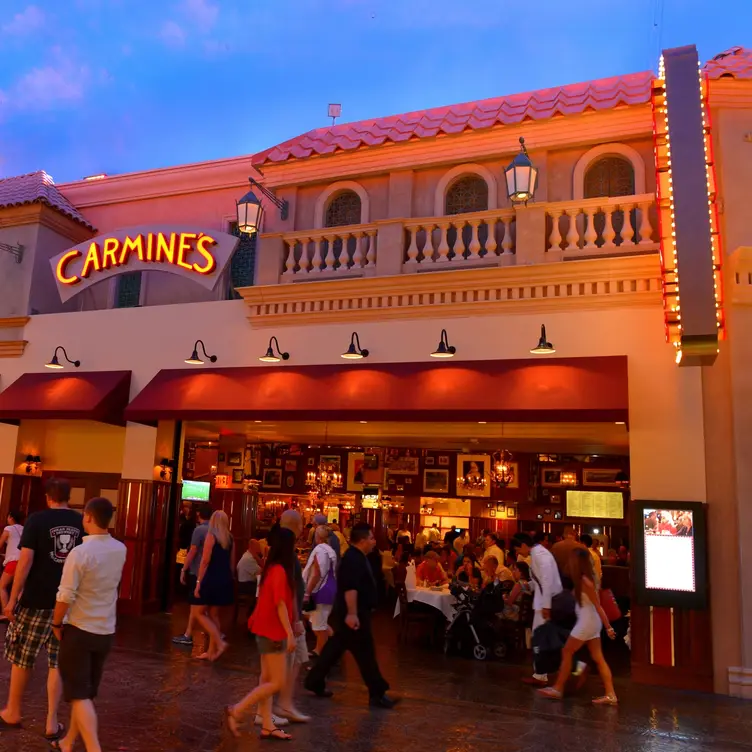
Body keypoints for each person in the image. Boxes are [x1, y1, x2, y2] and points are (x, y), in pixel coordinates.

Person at [0, 478, 84, 740]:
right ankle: (51, 721)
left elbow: (25, 562)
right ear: (69, 497)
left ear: (48, 497)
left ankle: (13, 711)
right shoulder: (83, 522)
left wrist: (12, 599)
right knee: (56, 662)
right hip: (68, 603)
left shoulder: (36, 520)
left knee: (22, 656)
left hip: (36, 600)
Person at [50, 497, 126, 752]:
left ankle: (94, 748)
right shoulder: (120, 549)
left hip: (79, 630)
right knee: (85, 693)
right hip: (105, 631)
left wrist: (56, 623)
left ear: (89, 517)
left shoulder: (80, 553)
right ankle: (68, 742)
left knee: (79, 696)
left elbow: (65, 595)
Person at [305, 523, 397, 709]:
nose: (374, 541)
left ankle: (314, 680)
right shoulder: (353, 559)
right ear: (362, 540)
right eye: (371, 538)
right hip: (354, 613)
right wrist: (353, 613)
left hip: (353, 613)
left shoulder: (358, 557)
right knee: (365, 653)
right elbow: (350, 588)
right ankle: (377, 692)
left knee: (337, 648)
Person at [225, 528, 297, 741]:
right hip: (273, 630)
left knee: (266, 678)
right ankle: (238, 710)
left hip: (263, 627)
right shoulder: (280, 571)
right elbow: (281, 604)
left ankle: (267, 724)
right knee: (276, 682)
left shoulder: (270, 568)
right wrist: (290, 633)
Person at [539, 548, 618, 705]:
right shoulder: (586, 579)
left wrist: (609, 627)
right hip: (590, 621)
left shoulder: (585, 581)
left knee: (567, 650)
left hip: (587, 621)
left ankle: (558, 688)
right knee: (598, 658)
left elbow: (598, 605)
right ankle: (611, 695)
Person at [515, 531, 563, 687]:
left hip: (546, 603)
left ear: (523, 545)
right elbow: (541, 581)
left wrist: (546, 607)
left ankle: (542, 674)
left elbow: (547, 582)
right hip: (545, 601)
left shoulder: (540, 556)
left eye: (517, 549)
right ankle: (543, 673)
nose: (518, 553)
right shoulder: (538, 554)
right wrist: (529, 585)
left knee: (542, 638)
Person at [194, 510, 234, 661]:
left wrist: (198, 583)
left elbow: (205, 561)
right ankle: (211, 652)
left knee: (199, 612)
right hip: (225, 578)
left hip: (212, 578)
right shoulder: (230, 538)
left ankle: (219, 641)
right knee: (214, 614)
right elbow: (232, 562)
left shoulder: (211, 537)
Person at [173, 503, 212, 647]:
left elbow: (193, 551)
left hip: (197, 570)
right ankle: (208, 632)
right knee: (204, 606)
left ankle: (190, 634)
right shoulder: (217, 531)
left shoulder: (199, 530)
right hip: (211, 572)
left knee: (195, 605)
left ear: (198, 514)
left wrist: (183, 569)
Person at [303, 525, 338, 657]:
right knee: (317, 620)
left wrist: (308, 592)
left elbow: (317, 572)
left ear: (317, 536)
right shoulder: (330, 550)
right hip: (329, 588)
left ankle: (323, 654)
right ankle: (321, 648)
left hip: (322, 590)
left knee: (319, 625)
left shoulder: (320, 550)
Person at [0, 509, 24, 619]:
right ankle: (21, 613)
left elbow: (0, 543)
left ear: (11, 517)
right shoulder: (24, 529)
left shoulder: (8, 528)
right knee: (20, 589)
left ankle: (6, 613)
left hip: (13, 562)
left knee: (2, 586)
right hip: (23, 562)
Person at [175, 502, 195, 593]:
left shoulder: (190, 522)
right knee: (180, 567)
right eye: (186, 507)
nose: (187, 509)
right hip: (181, 548)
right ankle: (179, 588)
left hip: (186, 548)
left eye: (189, 507)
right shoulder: (180, 519)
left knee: (183, 567)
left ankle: (182, 588)